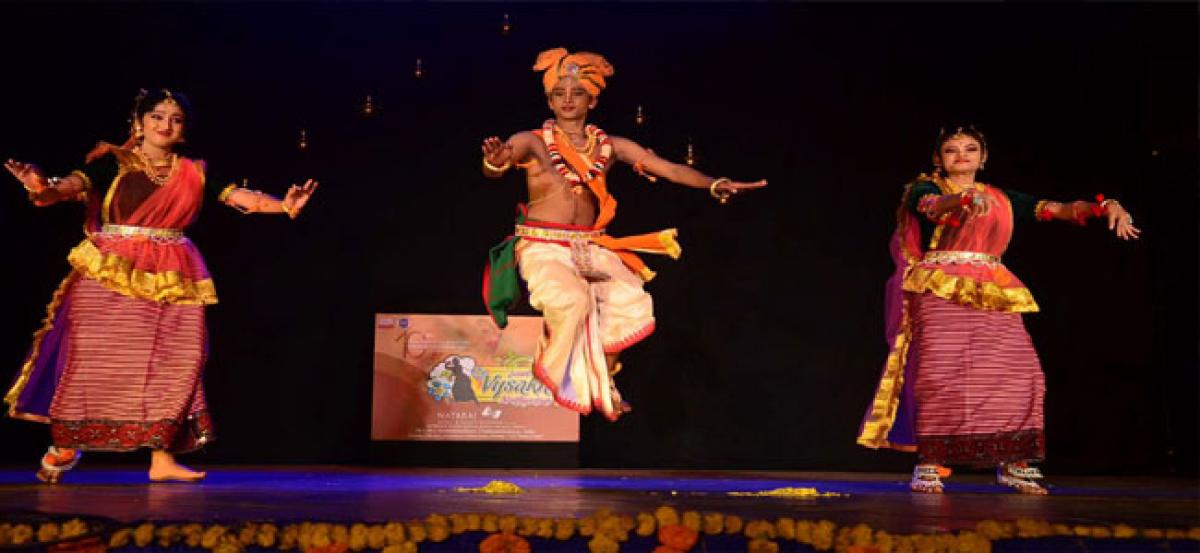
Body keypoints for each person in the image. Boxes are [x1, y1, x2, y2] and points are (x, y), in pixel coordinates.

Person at [4, 89, 318, 483]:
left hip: (175, 270)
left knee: (179, 359)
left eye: (176, 119)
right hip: (110, 270)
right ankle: (68, 442)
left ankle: (162, 458)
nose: (166, 124)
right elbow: (64, 188)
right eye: (157, 116)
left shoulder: (193, 171)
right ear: (138, 123)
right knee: (96, 360)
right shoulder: (112, 163)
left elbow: (242, 198)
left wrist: (284, 206)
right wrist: (39, 185)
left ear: (183, 130)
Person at [481, 48, 767, 421]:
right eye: (559, 93)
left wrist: (714, 183)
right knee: (571, 299)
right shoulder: (533, 141)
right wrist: (496, 161)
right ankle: (558, 367)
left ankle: (605, 379)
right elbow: (501, 160)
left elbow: (669, 169)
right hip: (543, 245)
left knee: (630, 300)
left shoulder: (609, 146)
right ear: (549, 99)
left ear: (592, 99)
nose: (568, 99)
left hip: (590, 245)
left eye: (577, 92)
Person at [856, 126, 1139, 494]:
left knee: (1019, 371)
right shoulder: (925, 189)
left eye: (971, 149)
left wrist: (1106, 207)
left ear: (983, 157)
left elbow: (1061, 210)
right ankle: (929, 462)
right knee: (940, 373)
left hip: (993, 287)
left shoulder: (1002, 199)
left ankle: (1014, 462)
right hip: (940, 287)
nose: (962, 155)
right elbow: (929, 207)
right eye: (952, 150)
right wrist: (959, 202)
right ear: (938, 159)